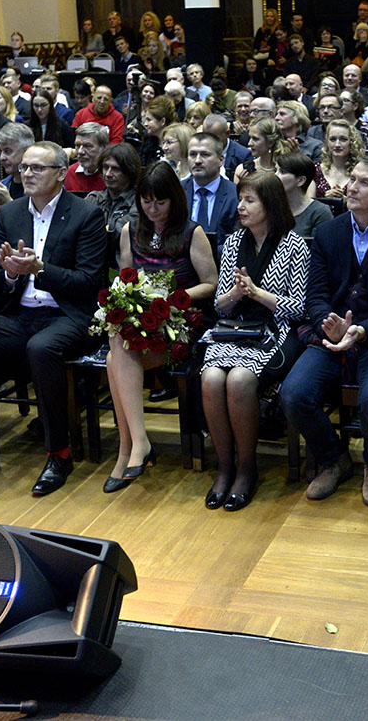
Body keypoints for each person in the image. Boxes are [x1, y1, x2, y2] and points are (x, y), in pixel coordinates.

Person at [0, 141, 106, 496]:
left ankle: (59, 454)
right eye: (24, 167)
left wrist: (40, 269)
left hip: (69, 314)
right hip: (20, 313)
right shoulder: (11, 213)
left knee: (41, 349)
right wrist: (11, 273)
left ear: (61, 174)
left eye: (37, 168)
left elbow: (88, 282)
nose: (27, 174)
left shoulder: (86, 214)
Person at [280, 155, 368, 506]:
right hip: (332, 336)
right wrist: (328, 325)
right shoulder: (328, 231)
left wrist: (359, 330)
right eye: (353, 179)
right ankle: (334, 459)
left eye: (364, 182)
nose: (351, 187)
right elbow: (315, 295)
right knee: (293, 394)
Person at [104, 162, 218, 491]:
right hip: (142, 323)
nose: (152, 209)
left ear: (174, 200)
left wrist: (172, 298)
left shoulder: (191, 232)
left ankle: (131, 448)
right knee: (117, 344)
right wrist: (129, 303)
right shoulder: (130, 230)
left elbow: (211, 283)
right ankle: (134, 446)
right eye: (146, 201)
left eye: (160, 202)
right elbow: (125, 282)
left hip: (183, 321)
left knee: (115, 355)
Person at [200, 174, 310, 510]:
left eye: (250, 200)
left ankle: (247, 469)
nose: (241, 207)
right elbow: (219, 305)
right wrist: (236, 293)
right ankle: (225, 467)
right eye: (240, 199)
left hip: (276, 330)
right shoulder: (234, 242)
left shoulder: (295, 246)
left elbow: (299, 308)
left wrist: (258, 294)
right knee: (211, 378)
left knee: (239, 379)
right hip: (234, 328)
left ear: (270, 205)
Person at [183, 132, 240, 235]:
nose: (197, 161)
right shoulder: (177, 191)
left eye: (205, 154)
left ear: (221, 160)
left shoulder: (235, 195)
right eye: (193, 154)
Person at [276, 152, 333, 237]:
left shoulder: (320, 213)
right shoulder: (270, 207)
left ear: (300, 180)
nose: (275, 175)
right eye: (275, 170)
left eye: (282, 172)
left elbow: (320, 244)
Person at [316, 118, 363, 198]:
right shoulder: (316, 170)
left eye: (343, 139)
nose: (337, 144)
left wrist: (344, 200)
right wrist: (325, 200)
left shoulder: (362, 171)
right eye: (333, 139)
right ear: (327, 142)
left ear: (352, 142)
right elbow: (309, 203)